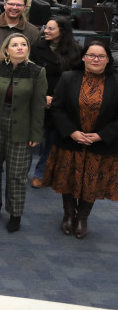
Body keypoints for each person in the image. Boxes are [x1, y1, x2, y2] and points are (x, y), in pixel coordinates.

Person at [43, 40, 118, 239]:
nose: (96, 59)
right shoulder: (68, 78)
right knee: (67, 179)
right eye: (91, 55)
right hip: (70, 141)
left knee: (91, 182)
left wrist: (101, 135)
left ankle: (82, 217)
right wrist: (72, 132)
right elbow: (57, 108)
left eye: (101, 56)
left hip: (100, 144)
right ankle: (68, 213)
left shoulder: (116, 82)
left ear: (108, 60)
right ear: (83, 57)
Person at [0, 33, 47, 232]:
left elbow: (39, 105)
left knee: (17, 174)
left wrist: (36, 134)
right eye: (15, 44)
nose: (20, 47)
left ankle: (15, 213)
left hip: (21, 128)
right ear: (6, 50)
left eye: (24, 44)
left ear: (28, 49)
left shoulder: (37, 71)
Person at [30, 16, 82, 187]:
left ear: (63, 31)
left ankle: (41, 173)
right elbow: (30, 73)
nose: (46, 31)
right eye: (46, 27)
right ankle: (21, 171)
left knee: (51, 141)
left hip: (62, 102)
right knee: (30, 138)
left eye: (51, 28)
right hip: (38, 99)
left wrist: (58, 99)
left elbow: (77, 78)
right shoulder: (37, 47)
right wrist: (41, 96)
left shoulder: (76, 50)